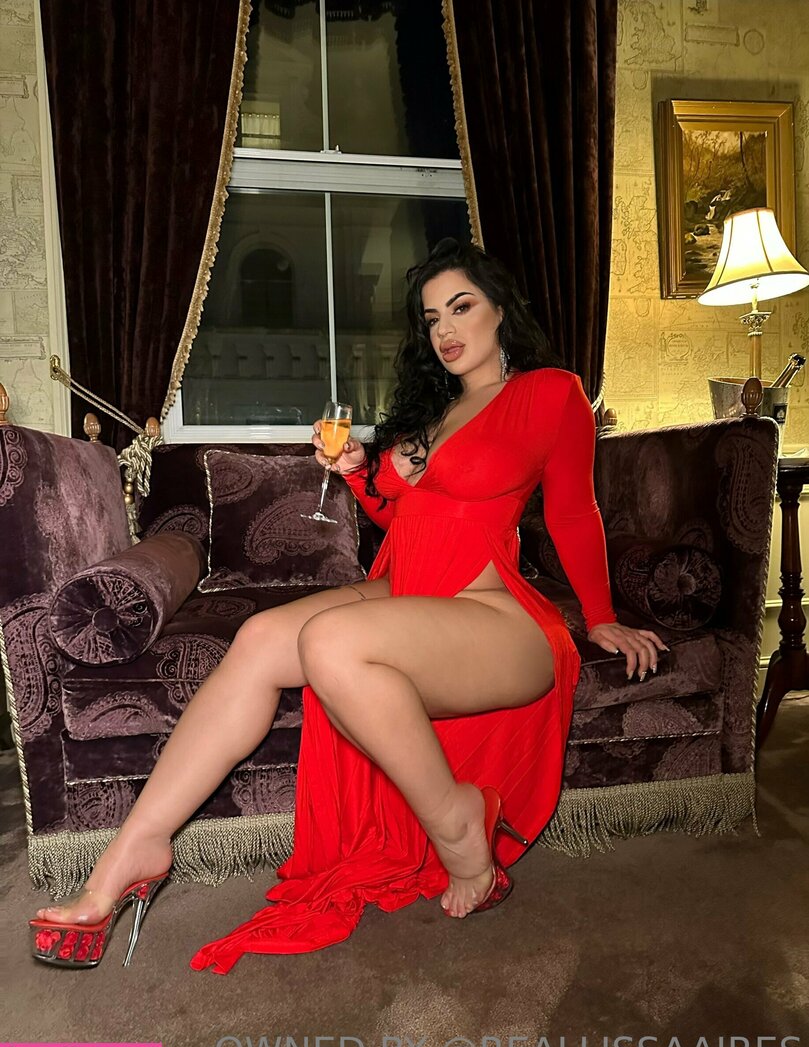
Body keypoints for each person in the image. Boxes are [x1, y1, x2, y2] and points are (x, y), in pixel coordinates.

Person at [29, 238, 667, 973]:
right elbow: (404, 520)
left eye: (461, 307)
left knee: (329, 640)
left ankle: (459, 824)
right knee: (262, 636)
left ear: (500, 310)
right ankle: (137, 847)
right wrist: (362, 474)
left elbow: (574, 513)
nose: (445, 329)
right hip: (410, 587)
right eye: (431, 318)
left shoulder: (550, 392)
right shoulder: (434, 413)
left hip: (493, 609)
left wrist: (600, 615)